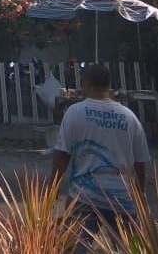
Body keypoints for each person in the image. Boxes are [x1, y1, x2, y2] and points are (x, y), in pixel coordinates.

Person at [51, 64, 150, 249]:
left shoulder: (75, 113)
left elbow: (61, 155)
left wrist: (53, 187)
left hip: (84, 198)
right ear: (108, 85)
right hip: (123, 200)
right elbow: (140, 162)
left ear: (86, 83)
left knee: (72, 249)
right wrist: (140, 194)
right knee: (131, 250)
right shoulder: (129, 117)